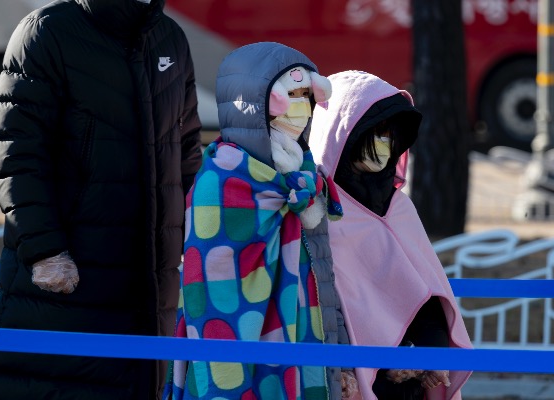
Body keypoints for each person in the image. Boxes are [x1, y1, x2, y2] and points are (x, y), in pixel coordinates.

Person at [0, 0, 202, 399]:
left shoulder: (170, 38)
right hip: (68, 277)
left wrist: (193, 236)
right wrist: (45, 250)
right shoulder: (47, 32)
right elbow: (19, 155)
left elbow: (185, 152)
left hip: (151, 282)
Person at [167, 41, 358, 399]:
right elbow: (209, 293)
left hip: (307, 351)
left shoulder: (306, 179)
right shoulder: (220, 184)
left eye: (307, 95)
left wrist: (341, 361)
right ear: (253, 102)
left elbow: (323, 279)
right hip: (235, 353)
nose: (301, 107)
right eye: (292, 94)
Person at [308, 70, 473, 400]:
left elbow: (430, 296)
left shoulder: (400, 209)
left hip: (412, 383)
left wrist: (432, 353)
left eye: (389, 135)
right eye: (373, 133)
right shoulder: (317, 213)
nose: (383, 144)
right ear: (341, 135)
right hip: (350, 381)